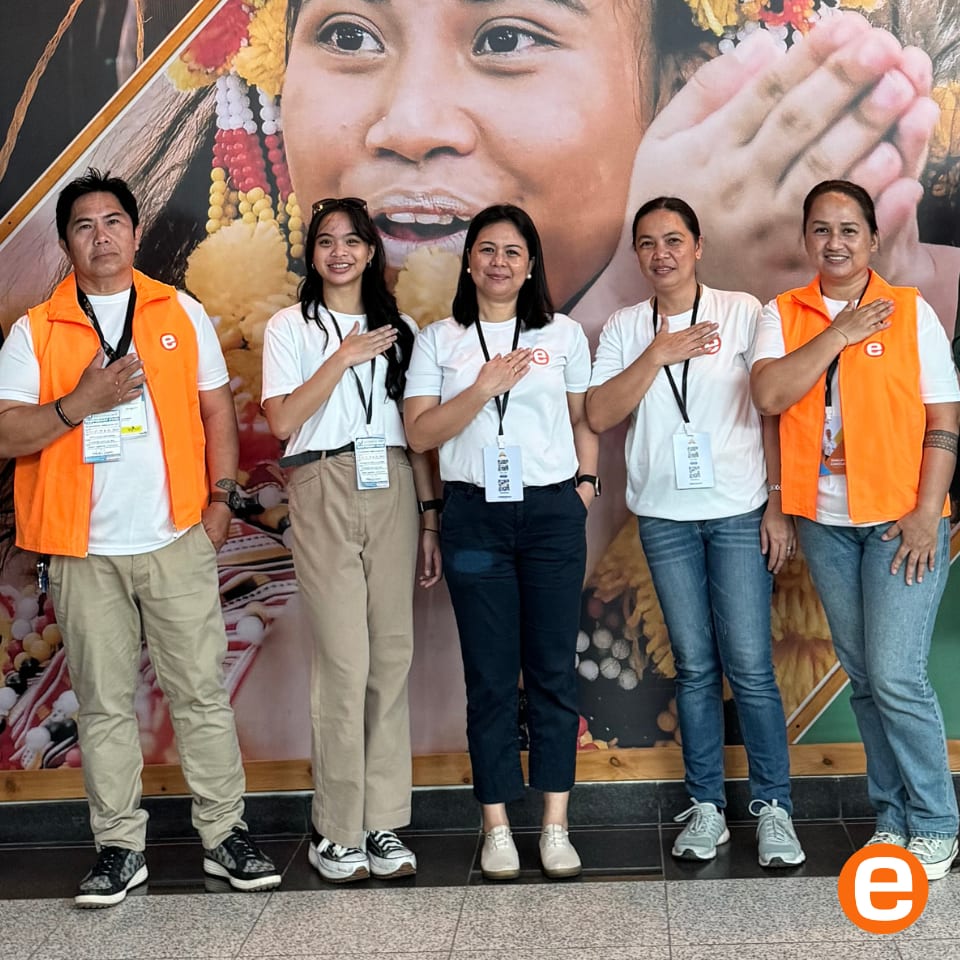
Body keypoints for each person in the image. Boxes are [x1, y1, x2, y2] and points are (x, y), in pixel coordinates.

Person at [0, 169, 280, 907]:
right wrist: (76, 405)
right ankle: (120, 848)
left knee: (200, 697)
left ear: (134, 229)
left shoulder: (178, 312)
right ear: (67, 243)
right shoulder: (36, 331)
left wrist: (221, 502)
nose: (102, 235)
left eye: (113, 221)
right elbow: (6, 433)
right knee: (102, 705)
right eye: (85, 225)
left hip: (174, 539)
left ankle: (226, 836)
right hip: (82, 550)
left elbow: (218, 412)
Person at [586, 197, 805, 868]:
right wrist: (656, 353)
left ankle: (774, 809)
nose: (661, 254)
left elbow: (771, 411)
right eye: (648, 243)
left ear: (698, 245)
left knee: (751, 665)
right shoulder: (627, 327)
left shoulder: (745, 311)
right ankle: (707, 806)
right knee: (694, 665)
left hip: (739, 511)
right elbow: (598, 412)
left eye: (674, 240)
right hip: (664, 518)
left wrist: (775, 504)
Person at [750, 179, 960, 880]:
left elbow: (944, 419)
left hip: (901, 523)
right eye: (820, 229)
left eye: (848, 229)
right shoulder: (785, 314)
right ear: (806, 239)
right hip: (827, 524)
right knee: (867, 678)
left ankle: (935, 821)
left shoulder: (908, 311)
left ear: (872, 239)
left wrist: (928, 513)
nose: (834, 242)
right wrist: (838, 332)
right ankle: (892, 818)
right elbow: (772, 396)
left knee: (898, 675)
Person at [403, 204, 598, 880]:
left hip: (549, 515)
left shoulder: (565, 334)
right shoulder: (439, 339)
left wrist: (588, 482)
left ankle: (554, 824)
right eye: (486, 250)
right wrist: (483, 388)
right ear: (468, 260)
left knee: (551, 671)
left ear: (531, 264)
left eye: (513, 252)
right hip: (474, 516)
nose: (498, 263)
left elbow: (584, 419)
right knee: (489, 678)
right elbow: (422, 435)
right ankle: (495, 827)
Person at [261, 197, 442, 883]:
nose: (339, 252)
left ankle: (383, 822)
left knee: (392, 655)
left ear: (372, 252)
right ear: (312, 254)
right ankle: (335, 830)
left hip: (393, 479)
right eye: (326, 241)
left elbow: (419, 433)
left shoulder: (405, 327)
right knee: (344, 660)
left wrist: (430, 517)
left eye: (353, 241)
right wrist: (341, 357)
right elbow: (281, 421)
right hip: (323, 477)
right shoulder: (290, 326)